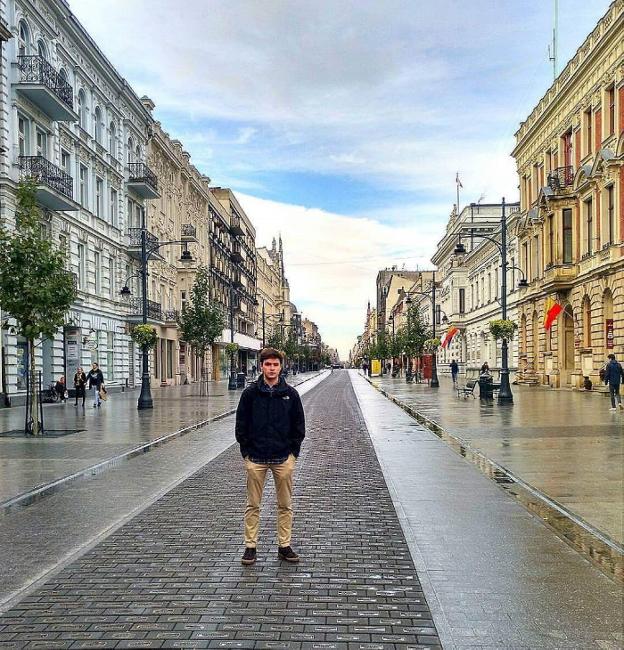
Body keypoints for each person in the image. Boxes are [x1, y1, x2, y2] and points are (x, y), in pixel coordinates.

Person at [235, 347, 305, 566]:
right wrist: (246, 453)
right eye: (268, 364)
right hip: (255, 458)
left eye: (275, 364)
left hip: (283, 458)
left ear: (280, 366)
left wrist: (293, 454)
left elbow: (299, 426)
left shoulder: (290, 394)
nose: (272, 368)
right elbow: (241, 425)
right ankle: (250, 547)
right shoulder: (250, 393)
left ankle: (284, 545)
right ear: (262, 366)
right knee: (253, 505)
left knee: (285, 505)